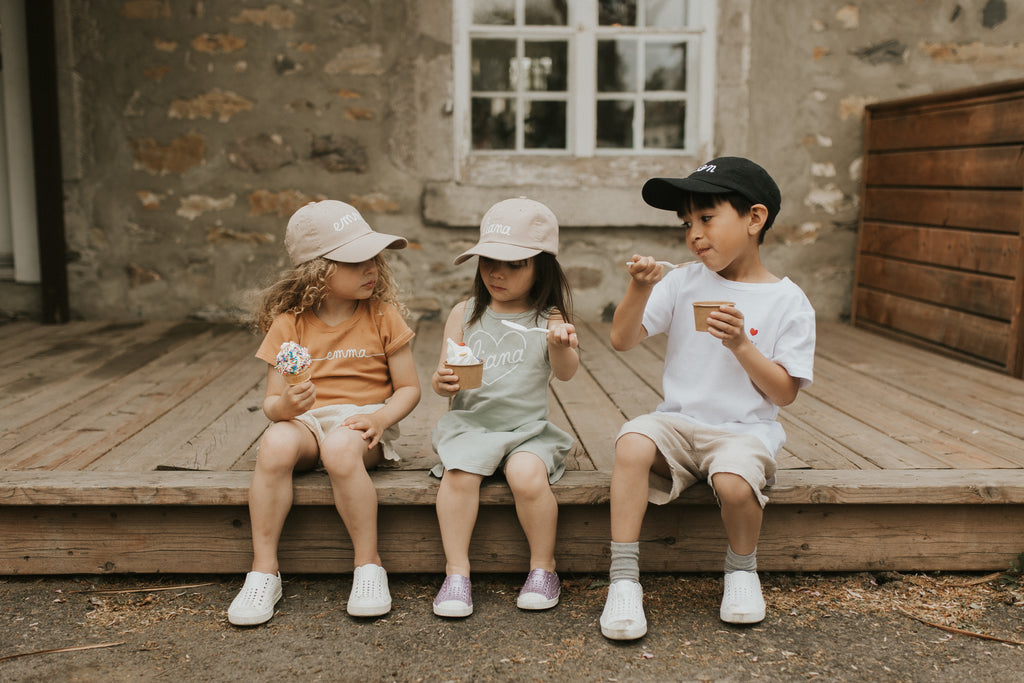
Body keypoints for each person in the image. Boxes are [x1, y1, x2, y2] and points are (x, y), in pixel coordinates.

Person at [600, 157, 816, 640]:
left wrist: (742, 345)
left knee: (736, 484)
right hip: (677, 424)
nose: (694, 234)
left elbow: (785, 392)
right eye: (686, 223)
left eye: (707, 218)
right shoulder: (681, 280)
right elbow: (622, 338)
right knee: (632, 442)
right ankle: (623, 580)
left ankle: (741, 572)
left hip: (744, 430)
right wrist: (639, 288)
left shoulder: (788, 301)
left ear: (754, 219)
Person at [227, 200, 421, 626]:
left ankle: (368, 565)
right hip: (308, 422)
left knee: (340, 449)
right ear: (317, 270)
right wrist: (286, 407)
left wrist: (382, 420)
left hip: (361, 421)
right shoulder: (289, 325)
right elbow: (272, 403)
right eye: (356, 261)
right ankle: (263, 571)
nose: (371, 268)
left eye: (373, 257)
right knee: (275, 443)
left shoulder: (383, 316)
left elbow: (409, 388)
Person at [429, 197, 579, 618]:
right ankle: (457, 572)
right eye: (489, 261)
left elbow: (566, 373)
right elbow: (445, 377)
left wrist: (561, 346)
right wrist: (443, 381)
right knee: (459, 475)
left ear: (542, 267)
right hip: (472, 426)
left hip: (526, 429)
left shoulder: (548, 316)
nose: (498, 273)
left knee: (527, 476)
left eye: (515, 264)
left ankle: (542, 567)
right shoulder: (465, 312)